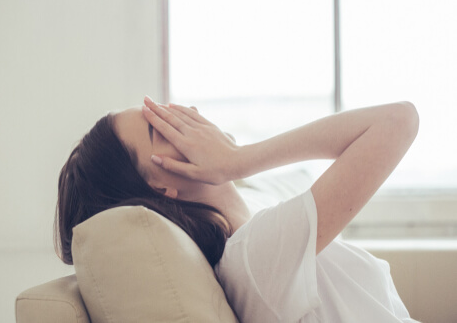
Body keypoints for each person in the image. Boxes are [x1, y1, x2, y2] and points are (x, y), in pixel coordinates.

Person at [55, 95, 420, 322]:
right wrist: (237, 160)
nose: (189, 112)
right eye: (162, 127)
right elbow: (398, 121)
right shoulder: (252, 258)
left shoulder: (254, 226)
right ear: (162, 187)